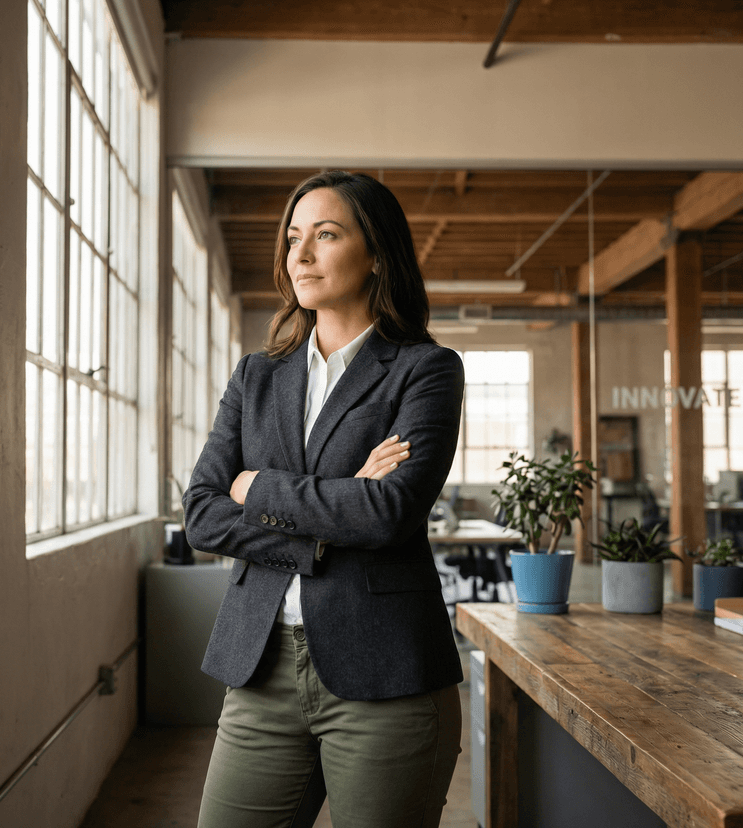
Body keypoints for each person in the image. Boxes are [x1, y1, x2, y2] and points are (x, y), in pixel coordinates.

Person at [183, 170, 465, 828]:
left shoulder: (426, 370)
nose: (301, 255)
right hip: (260, 669)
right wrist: (333, 515)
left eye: (327, 235)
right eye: (292, 239)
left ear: (375, 255)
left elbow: (389, 513)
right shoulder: (257, 376)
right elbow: (201, 512)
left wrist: (256, 488)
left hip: (387, 674)